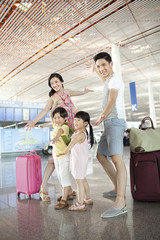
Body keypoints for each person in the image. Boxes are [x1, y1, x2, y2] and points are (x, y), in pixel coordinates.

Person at [25, 73, 93, 201]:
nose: (54, 85)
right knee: (55, 158)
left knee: (68, 158)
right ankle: (43, 188)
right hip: (61, 131)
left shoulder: (67, 92)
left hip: (72, 129)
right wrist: (34, 121)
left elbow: (77, 92)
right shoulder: (53, 98)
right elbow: (45, 111)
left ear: (62, 81)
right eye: (52, 84)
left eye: (56, 82)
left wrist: (85, 91)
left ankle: (67, 189)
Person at [90, 52, 127, 218]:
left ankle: (121, 202)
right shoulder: (108, 80)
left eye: (104, 65)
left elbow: (112, 101)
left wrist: (102, 116)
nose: (101, 69)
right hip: (109, 123)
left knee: (117, 159)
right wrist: (93, 68)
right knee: (100, 155)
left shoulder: (115, 80)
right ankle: (116, 187)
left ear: (111, 64)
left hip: (115, 121)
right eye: (98, 66)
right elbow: (101, 76)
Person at [57, 111, 94, 211]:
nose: (75, 122)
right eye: (75, 120)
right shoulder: (78, 132)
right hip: (79, 159)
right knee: (83, 179)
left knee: (79, 182)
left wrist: (64, 152)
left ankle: (80, 204)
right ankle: (88, 198)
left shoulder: (81, 134)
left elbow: (72, 143)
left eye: (78, 120)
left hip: (79, 161)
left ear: (85, 123)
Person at [51, 107, 74, 209]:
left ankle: (64, 200)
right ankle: (68, 193)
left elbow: (60, 131)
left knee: (64, 176)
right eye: (55, 118)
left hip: (64, 156)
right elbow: (54, 119)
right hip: (57, 156)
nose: (57, 120)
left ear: (65, 118)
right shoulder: (55, 126)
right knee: (60, 177)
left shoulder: (65, 126)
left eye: (59, 117)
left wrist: (56, 137)